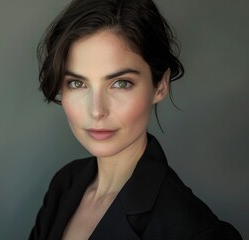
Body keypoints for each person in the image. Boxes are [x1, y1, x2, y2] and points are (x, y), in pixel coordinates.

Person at [29, 0, 242, 239]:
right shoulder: (65, 186)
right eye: (77, 84)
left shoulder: (195, 231)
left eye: (121, 83)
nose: (97, 110)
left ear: (160, 85)